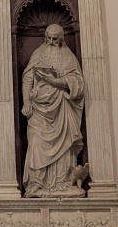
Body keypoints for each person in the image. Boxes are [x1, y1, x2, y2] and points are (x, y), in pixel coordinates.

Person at [22, 24, 85, 197]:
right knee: (35, 141)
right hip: (39, 107)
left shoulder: (67, 56)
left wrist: (55, 81)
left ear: (61, 38)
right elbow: (27, 78)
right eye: (48, 38)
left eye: (54, 39)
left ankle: (61, 182)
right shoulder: (38, 53)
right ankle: (36, 182)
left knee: (64, 146)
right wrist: (26, 101)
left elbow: (77, 84)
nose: (51, 41)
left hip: (61, 108)